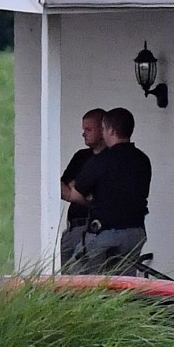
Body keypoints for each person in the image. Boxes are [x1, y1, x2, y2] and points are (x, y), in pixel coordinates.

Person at [68, 107, 149, 270]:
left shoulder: (100, 161)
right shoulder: (143, 159)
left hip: (105, 233)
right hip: (135, 233)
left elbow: (75, 195)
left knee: (77, 279)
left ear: (111, 130)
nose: (103, 133)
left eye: (103, 129)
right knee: (123, 283)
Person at [57, 109, 107, 269]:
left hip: (93, 228)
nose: (84, 134)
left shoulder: (110, 158)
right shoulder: (81, 156)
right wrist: (81, 193)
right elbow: (61, 187)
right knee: (65, 278)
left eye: (89, 130)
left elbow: (100, 193)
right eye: (83, 129)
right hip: (72, 227)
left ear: (103, 129)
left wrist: (76, 189)